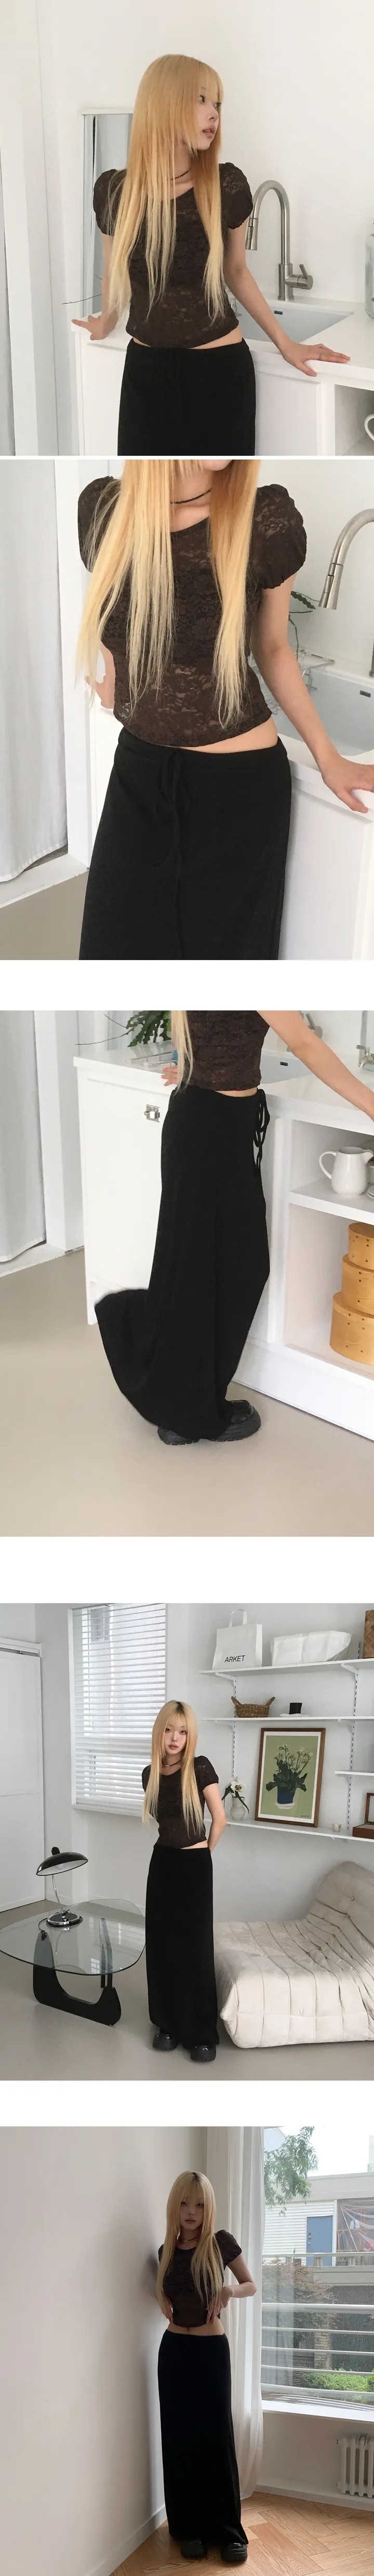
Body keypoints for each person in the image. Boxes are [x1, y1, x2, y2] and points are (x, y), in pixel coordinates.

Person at [76, 460, 374, 963]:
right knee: (111, 950)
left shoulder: (264, 519)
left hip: (238, 789)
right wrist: (115, 679)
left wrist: (329, 758)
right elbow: (118, 608)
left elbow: (272, 647)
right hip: (139, 769)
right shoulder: (104, 509)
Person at [94, 1008, 374, 1446]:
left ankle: (177, 1397)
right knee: (228, 1268)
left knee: (197, 1265)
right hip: (213, 1130)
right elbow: (304, 1043)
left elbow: (200, 1031)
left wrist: (196, 1072)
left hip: (201, 1119)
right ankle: (185, 1410)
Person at [73, 53, 349, 455]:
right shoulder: (115, 192)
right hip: (145, 374)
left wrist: (285, 342)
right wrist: (106, 321)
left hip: (219, 371)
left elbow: (236, 271)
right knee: (148, 484)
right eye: (201, 99)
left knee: (222, 485)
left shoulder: (226, 185)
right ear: (163, 102)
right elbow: (115, 274)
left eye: (218, 103)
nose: (214, 113)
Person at [156, 2167, 256, 2561]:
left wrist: (229, 2290)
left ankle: (228, 2531)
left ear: (208, 2207)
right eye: (184, 2203)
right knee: (179, 2439)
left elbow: (250, 2284)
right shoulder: (165, 2252)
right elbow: (167, 2293)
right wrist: (160, 2298)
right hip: (173, 2352)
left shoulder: (220, 2244)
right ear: (175, 2206)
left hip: (211, 2352)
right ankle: (189, 2528)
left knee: (216, 2437)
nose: (191, 2211)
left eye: (199, 2204)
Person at [142, 1699, 225, 2058]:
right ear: (160, 1732)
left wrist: (203, 1856)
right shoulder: (149, 1774)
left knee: (195, 1947)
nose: (175, 1738)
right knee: (162, 1944)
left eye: (183, 1731)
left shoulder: (200, 1767)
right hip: (162, 1864)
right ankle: (168, 2024)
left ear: (190, 1735)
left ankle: (201, 2032)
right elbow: (164, 1822)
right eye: (169, 1730)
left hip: (195, 1864)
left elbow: (220, 1819)